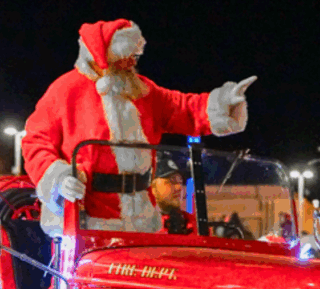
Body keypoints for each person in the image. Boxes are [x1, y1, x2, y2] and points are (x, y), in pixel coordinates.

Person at [22, 19, 256, 236]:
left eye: (134, 58)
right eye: (125, 58)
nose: (132, 64)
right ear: (104, 57)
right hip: (88, 217)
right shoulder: (66, 90)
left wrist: (223, 102)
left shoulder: (143, 91)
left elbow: (184, 109)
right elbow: (36, 142)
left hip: (141, 217)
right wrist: (59, 178)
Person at [151, 163, 195, 235]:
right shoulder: (143, 223)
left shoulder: (192, 223)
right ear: (153, 188)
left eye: (181, 182)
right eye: (172, 182)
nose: (179, 187)